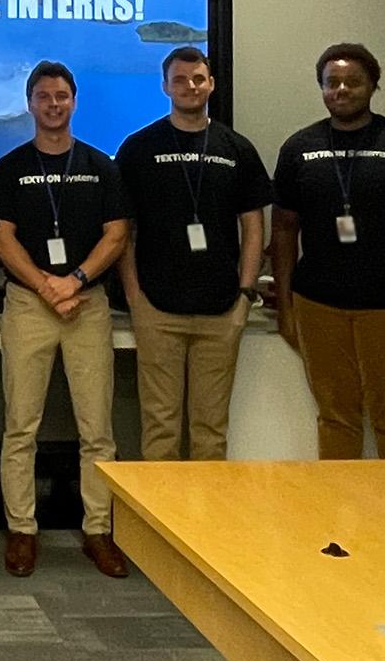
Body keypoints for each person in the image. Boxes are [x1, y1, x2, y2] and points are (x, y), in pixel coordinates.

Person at [0, 62, 132, 579]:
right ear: (30, 102)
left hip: (86, 303)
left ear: (74, 101)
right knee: (19, 426)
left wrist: (72, 280)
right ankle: (22, 530)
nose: (53, 104)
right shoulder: (9, 166)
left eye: (62, 96)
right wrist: (46, 286)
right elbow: (1, 238)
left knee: (97, 429)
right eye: (44, 96)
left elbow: (116, 234)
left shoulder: (100, 164)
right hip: (29, 304)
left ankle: (98, 530)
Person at [272, 43, 385, 461]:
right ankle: (343, 522)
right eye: (332, 82)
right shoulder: (300, 147)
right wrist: (285, 307)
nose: (342, 89)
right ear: (321, 88)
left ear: (373, 86)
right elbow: (282, 230)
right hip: (318, 306)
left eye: (353, 81)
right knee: (335, 417)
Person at [116, 47, 272, 462]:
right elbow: (123, 232)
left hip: (221, 310)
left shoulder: (236, 148)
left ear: (211, 85)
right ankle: (159, 527)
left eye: (198, 79)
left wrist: (245, 295)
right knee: (160, 428)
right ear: (165, 86)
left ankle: (206, 527)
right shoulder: (138, 148)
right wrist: (135, 298)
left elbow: (254, 226)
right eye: (180, 79)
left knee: (210, 432)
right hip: (158, 310)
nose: (190, 86)